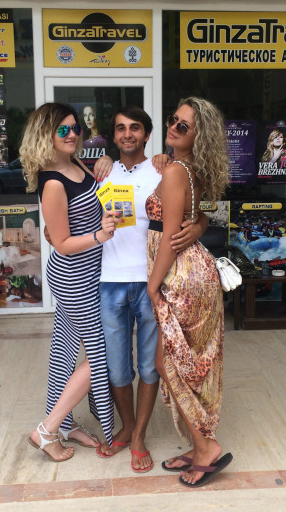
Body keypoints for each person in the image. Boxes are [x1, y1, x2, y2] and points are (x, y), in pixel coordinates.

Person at [92, 106, 208, 473]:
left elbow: (194, 209)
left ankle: (139, 435)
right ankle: (127, 426)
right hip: (109, 281)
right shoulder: (101, 172)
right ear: (113, 136)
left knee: (149, 366)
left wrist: (200, 225)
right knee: (116, 368)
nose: (127, 134)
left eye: (135, 128)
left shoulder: (162, 169)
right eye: (120, 128)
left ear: (146, 133)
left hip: (151, 281)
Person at [20, 102, 118, 462]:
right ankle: (47, 431)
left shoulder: (75, 163)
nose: (73, 134)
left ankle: (64, 425)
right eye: (63, 129)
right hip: (75, 276)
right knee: (103, 355)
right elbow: (60, 242)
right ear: (45, 134)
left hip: (89, 272)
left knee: (64, 351)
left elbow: (97, 192)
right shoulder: (52, 183)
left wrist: (105, 161)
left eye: (75, 128)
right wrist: (100, 236)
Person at [146, 97, 232, 487]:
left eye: (184, 126)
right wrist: (198, 225)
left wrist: (152, 285)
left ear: (199, 136)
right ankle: (201, 444)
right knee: (179, 363)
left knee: (169, 364)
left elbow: (168, 239)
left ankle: (205, 448)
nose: (174, 127)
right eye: (173, 120)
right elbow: (196, 217)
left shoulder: (176, 171)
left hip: (180, 276)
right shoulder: (186, 167)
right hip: (192, 272)